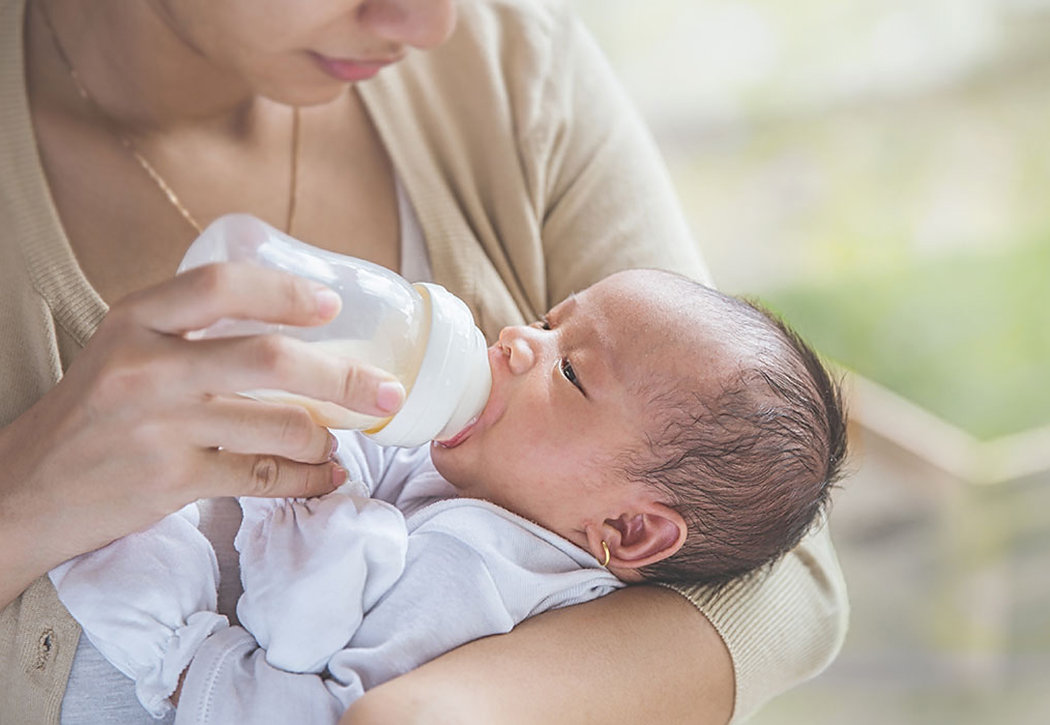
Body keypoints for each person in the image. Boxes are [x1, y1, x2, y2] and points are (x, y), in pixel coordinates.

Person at [0, 1, 850, 723]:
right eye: (552, 322)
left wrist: (418, 708)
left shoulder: (510, 63)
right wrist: (25, 497)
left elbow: (787, 577)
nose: (434, 23)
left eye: (571, 371)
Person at [49, 268, 848, 722]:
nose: (517, 340)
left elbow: (317, 691)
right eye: (545, 320)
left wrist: (197, 667)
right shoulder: (489, 476)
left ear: (630, 529)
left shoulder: (478, 575)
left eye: (570, 370)